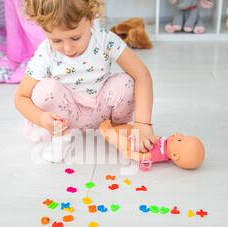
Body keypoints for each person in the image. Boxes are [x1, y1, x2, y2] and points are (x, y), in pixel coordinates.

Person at [14, 0, 156, 162]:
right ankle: (61, 138)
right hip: (66, 118)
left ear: (91, 17)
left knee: (126, 83)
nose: (67, 49)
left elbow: (142, 75)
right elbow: (21, 97)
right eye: (56, 41)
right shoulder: (46, 53)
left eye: (75, 37)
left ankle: (118, 131)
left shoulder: (104, 39)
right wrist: (41, 119)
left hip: (102, 114)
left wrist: (143, 124)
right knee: (45, 89)